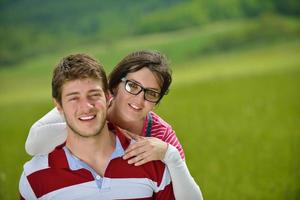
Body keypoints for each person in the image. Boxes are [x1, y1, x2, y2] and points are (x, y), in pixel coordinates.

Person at [25, 50, 203, 199]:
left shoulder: (160, 134)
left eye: (151, 93)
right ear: (115, 85)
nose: (139, 99)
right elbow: (33, 145)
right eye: (133, 86)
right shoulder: (90, 103)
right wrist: (88, 128)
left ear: (156, 102)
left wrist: (170, 154)